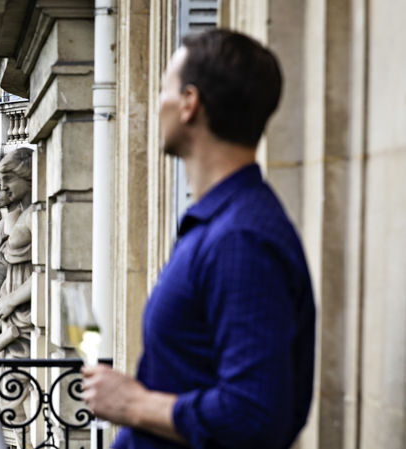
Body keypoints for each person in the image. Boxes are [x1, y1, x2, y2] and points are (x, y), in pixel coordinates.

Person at [81, 29, 316, 449]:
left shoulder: (240, 239)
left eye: (162, 89)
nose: (157, 104)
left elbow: (255, 415)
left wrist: (133, 403)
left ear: (189, 103)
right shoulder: (225, 224)